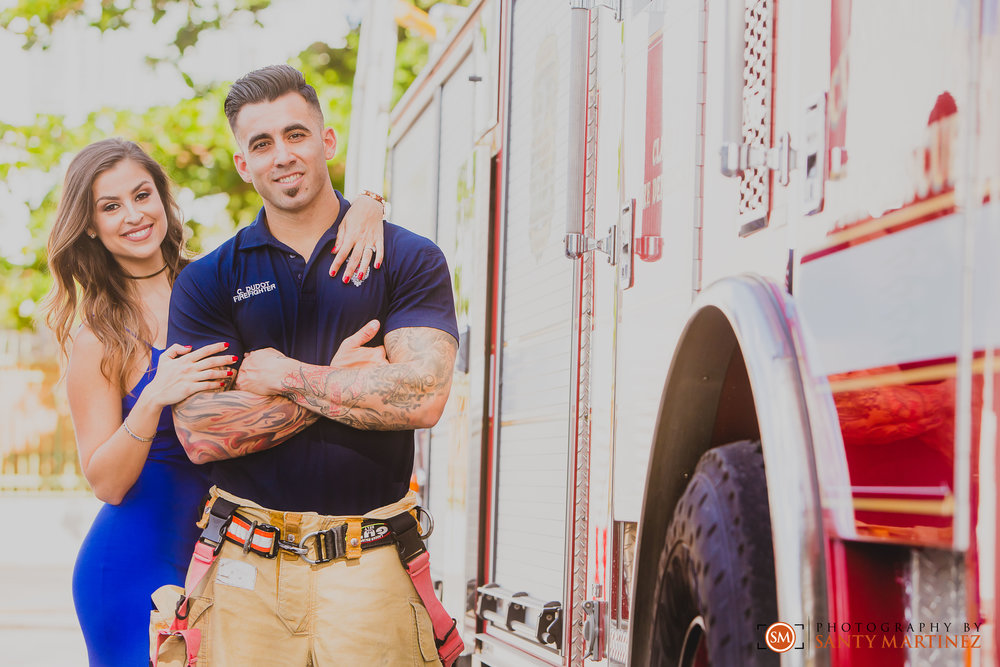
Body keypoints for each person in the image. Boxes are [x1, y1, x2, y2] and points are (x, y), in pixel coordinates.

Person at [43, 137, 386, 667]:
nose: (133, 215)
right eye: (110, 207)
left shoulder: (217, 283)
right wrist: (153, 397)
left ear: (162, 197)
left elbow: (294, 223)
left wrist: (368, 203)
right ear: (89, 225)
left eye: (142, 195)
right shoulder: (98, 337)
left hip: (234, 552)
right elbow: (105, 482)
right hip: (136, 559)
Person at [159, 64, 459, 666]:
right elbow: (200, 434)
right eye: (261, 144)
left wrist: (284, 376)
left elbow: (422, 396)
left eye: (296, 134)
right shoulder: (209, 279)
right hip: (246, 569)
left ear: (327, 141)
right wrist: (344, 380)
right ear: (244, 164)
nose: (282, 155)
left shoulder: (406, 257)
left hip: (372, 566)